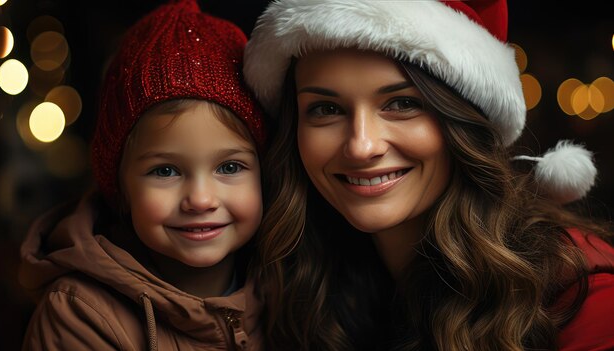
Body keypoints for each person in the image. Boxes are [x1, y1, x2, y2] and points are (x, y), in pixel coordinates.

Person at [242, 0, 614, 350]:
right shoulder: (292, 283)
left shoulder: (583, 298)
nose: (361, 146)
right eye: (325, 109)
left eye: (402, 104)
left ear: (462, 123)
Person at [18, 0, 267, 350]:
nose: (200, 199)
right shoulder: (79, 317)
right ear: (120, 185)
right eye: (165, 170)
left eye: (229, 167)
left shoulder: (293, 290)